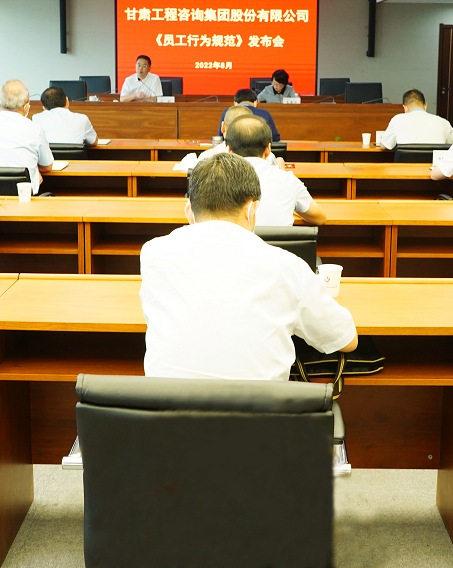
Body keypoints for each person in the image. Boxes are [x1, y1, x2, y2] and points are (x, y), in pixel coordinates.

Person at [140, 152, 358, 381]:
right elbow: (346, 339)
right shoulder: (286, 265)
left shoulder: (152, 254)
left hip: (167, 404)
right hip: (262, 405)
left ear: (189, 212)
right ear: (252, 210)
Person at [225, 115, 325, 226]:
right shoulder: (289, 180)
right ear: (268, 149)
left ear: (229, 150)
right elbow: (320, 218)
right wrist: (292, 207)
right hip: (280, 239)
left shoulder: (217, 180)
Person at [0, 79, 54, 194]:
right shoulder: (35, 130)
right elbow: (47, 167)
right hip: (24, 196)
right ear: (26, 107)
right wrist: (33, 171)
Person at [381, 89, 453, 149]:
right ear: (425, 106)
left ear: (405, 107)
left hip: (406, 164)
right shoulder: (443, 122)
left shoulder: (397, 120)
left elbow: (384, 146)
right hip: (432, 164)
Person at [32, 86, 97, 147]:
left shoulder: (36, 118)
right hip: (73, 155)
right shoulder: (82, 119)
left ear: (44, 107)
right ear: (67, 101)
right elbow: (93, 141)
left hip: (48, 156)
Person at [216, 88, 280, 141]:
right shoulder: (265, 113)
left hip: (232, 149)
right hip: (259, 150)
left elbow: (220, 136)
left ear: (235, 103)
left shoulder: (227, 112)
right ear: (255, 102)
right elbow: (275, 138)